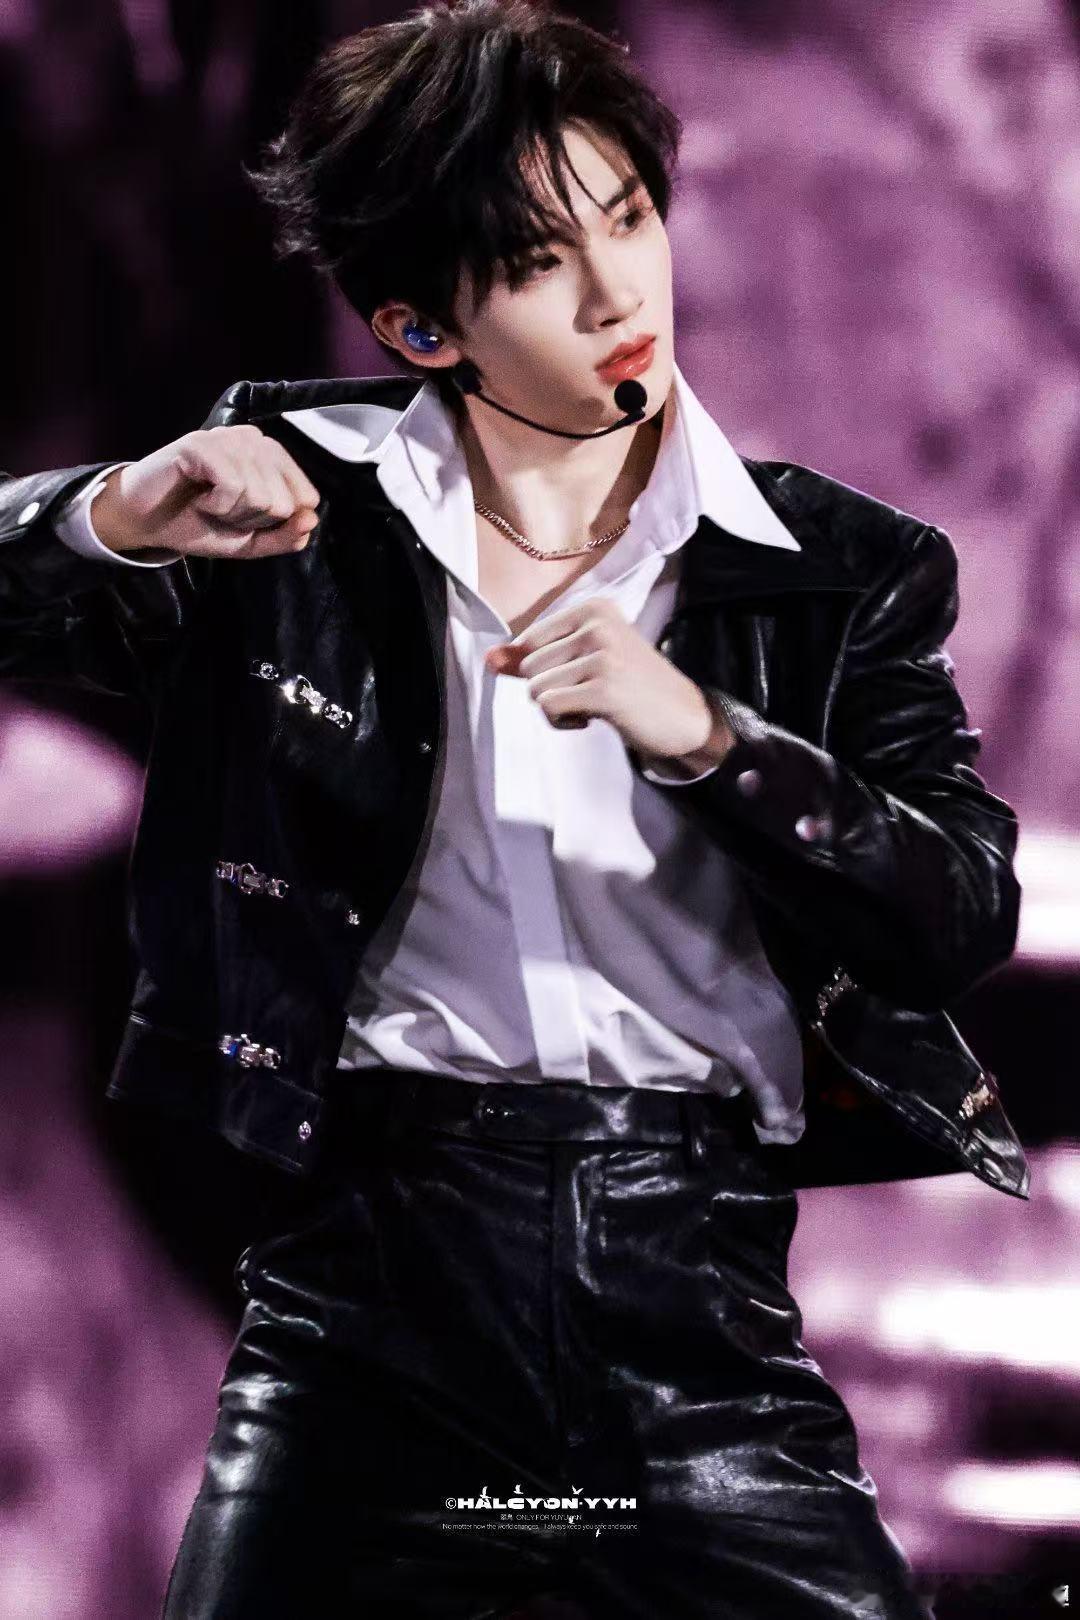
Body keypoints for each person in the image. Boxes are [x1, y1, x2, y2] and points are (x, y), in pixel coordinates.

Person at [0, 1, 1027, 1615]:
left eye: (628, 218)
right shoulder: (294, 531)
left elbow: (959, 911)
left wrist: (708, 737)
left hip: (692, 1306)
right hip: (367, 1295)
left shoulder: (837, 567)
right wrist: (112, 514)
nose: (621, 295)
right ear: (420, 329)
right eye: (543, 262)